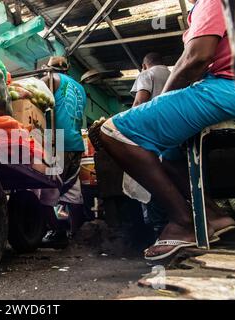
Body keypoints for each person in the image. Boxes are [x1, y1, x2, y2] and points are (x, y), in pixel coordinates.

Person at [94, 0, 235, 261]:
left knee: (113, 131)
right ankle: (212, 214)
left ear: (144, 66)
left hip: (226, 87)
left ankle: (183, 222)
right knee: (169, 150)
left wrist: (162, 100)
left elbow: (197, 56)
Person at [37, 56, 88, 248]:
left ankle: (57, 231)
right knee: (73, 191)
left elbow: (35, 97)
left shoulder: (51, 80)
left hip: (57, 141)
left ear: (49, 69)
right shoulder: (80, 88)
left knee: (46, 190)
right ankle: (77, 234)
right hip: (75, 143)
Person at [129, 52, 171, 238]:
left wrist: (124, 123)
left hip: (153, 133)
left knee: (152, 179)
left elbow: (140, 102)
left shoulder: (146, 74)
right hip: (176, 131)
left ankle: (159, 231)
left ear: (144, 65)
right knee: (172, 176)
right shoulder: (173, 73)